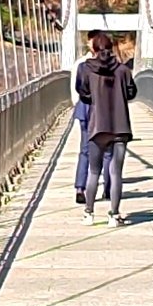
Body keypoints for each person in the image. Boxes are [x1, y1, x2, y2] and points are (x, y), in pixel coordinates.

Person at [74, 30, 137, 225]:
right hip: (120, 126)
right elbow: (132, 92)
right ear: (111, 48)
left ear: (93, 48)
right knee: (116, 172)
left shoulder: (85, 69)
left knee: (94, 171)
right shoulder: (123, 70)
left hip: (97, 126)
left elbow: (82, 92)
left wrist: (94, 98)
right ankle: (114, 215)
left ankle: (89, 214)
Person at [71, 57, 92, 202]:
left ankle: (80, 187)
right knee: (107, 152)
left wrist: (76, 104)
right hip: (103, 114)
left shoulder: (81, 65)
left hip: (84, 109)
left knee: (85, 150)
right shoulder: (113, 66)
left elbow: (77, 87)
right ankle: (109, 188)